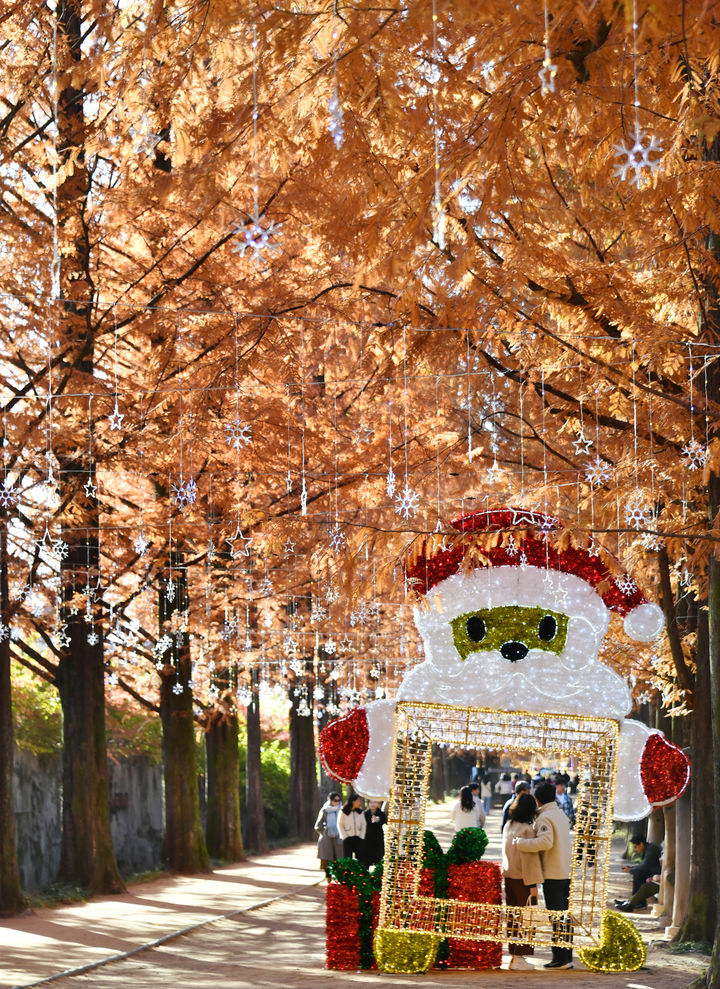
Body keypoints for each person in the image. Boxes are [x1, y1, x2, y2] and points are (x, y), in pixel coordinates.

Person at [514, 781, 574, 970]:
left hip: (553, 874)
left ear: (538, 799)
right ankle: (567, 956)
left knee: (556, 917)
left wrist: (521, 843)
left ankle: (560, 959)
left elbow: (546, 842)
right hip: (565, 871)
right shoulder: (561, 815)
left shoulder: (544, 818)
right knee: (564, 916)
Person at [502, 792, 543, 971]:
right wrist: (533, 885)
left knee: (512, 917)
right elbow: (530, 860)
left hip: (509, 876)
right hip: (523, 879)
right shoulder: (527, 829)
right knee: (526, 919)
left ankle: (513, 956)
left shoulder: (508, 825)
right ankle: (519, 957)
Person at [314, 791, 344, 875]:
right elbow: (317, 826)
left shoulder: (342, 810)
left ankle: (338, 878)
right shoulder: (325, 810)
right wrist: (324, 831)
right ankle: (328, 876)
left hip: (339, 838)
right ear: (330, 800)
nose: (337, 802)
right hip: (327, 838)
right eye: (335, 800)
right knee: (327, 859)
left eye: (338, 800)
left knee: (339, 859)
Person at [337, 794, 366, 859]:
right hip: (347, 838)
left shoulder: (360, 812)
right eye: (358, 801)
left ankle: (359, 869)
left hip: (358, 838)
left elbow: (363, 824)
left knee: (360, 858)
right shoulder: (343, 812)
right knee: (347, 858)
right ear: (353, 801)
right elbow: (340, 824)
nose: (360, 802)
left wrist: (361, 836)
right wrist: (344, 836)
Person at [362, 799, 386, 866]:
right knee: (366, 859)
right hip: (367, 839)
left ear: (378, 803)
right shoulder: (364, 813)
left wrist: (378, 820)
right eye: (371, 802)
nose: (373, 804)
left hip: (378, 839)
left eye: (375, 802)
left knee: (378, 858)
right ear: (368, 803)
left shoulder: (381, 813)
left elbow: (384, 820)